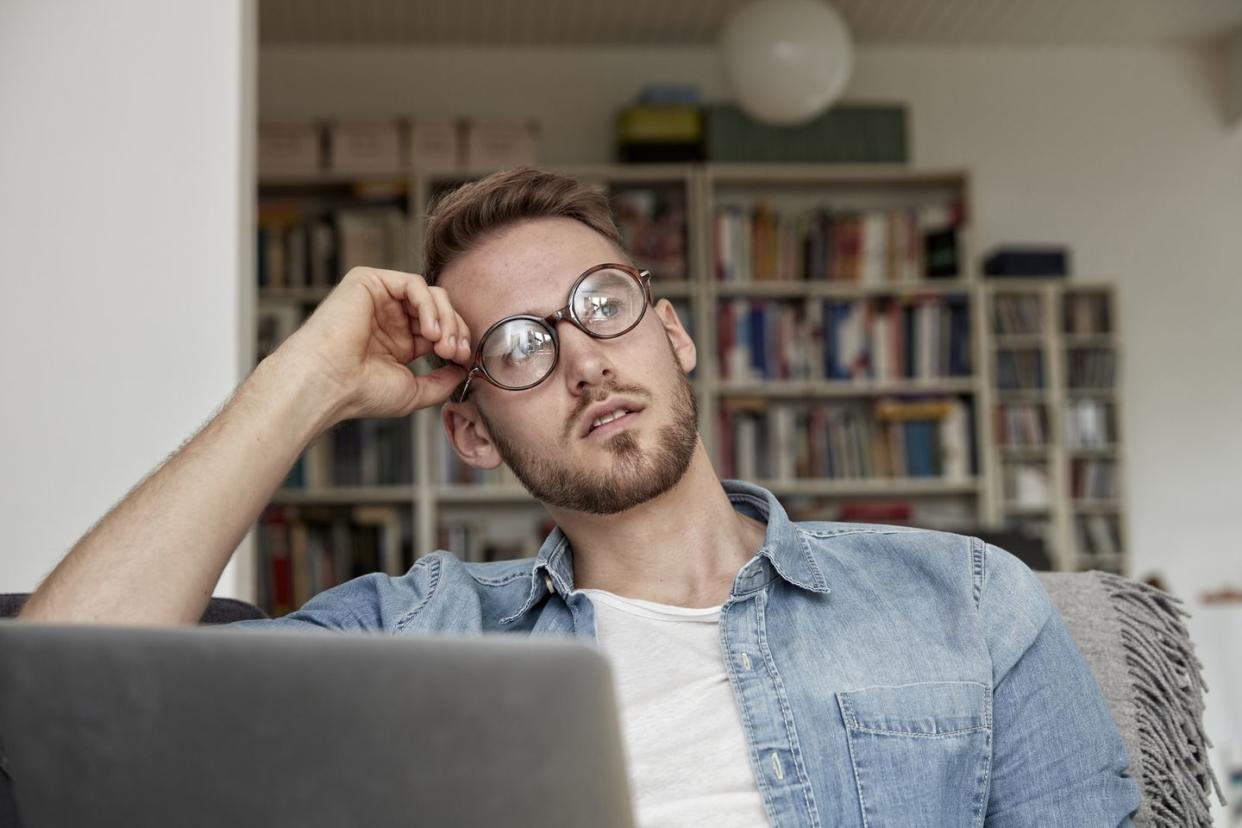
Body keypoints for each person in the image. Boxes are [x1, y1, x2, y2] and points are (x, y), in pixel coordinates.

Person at [19, 167, 1142, 826]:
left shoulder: (967, 600)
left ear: (676, 332)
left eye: (603, 304)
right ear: (468, 429)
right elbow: (49, 702)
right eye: (518, 347)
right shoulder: (413, 631)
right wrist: (302, 381)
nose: (585, 362)